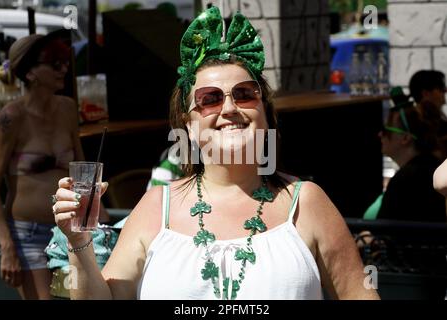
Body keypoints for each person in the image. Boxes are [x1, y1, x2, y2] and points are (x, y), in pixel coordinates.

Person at [51, 7, 379, 300]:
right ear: (189, 125)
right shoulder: (155, 206)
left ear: (266, 116)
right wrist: (76, 240)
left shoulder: (306, 203)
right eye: (209, 99)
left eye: (245, 94)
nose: (230, 108)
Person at [0, 30, 109, 299]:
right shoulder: (11, 117)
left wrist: (101, 218)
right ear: (31, 72)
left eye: (65, 61)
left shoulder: (68, 108)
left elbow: (83, 169)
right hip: (29, 233)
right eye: (55, 63)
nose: (64, 68)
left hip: (72, 229)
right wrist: (7, 246)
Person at [375, 87, 446, 222]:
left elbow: (381, 237)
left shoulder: (405, 181)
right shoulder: (433, 167)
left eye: (386, 130)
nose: (380, 135)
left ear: (405, 138)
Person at [409, 70, 447, 156]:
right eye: (441, 87)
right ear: (425, 93)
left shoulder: (410, 120)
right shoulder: (422, 124)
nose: (445, 91)